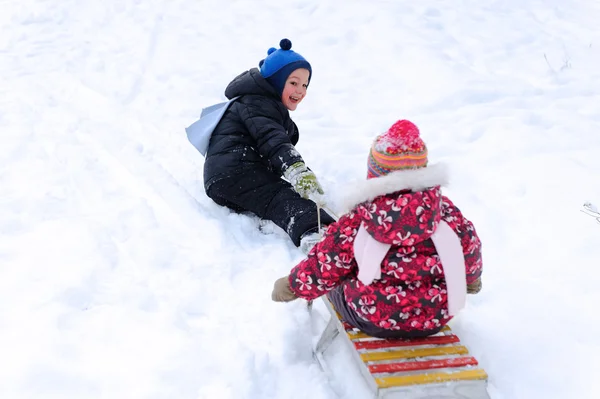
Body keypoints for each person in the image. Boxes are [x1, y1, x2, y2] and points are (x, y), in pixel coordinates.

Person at [271, 120, 483, 339]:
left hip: (373, 319)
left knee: (338, 276)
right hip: (435, 318)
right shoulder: (446, 213)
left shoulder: (361, 218)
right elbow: (470, 250)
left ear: (375, 174)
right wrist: (471, 280)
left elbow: (326, 263)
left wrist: (292, 285)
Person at [203, 38, 335, 253]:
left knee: (268, 196)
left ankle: (272, 221)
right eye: (293, 82)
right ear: (275, 82)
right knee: (280, 197)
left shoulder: (260, 104)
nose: (300, 90)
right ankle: (316, 233)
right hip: (237, 170)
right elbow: (273, 140)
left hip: (227, 178)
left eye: (305, 84)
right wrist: (296, 169)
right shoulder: (257, 103)